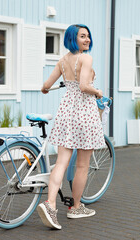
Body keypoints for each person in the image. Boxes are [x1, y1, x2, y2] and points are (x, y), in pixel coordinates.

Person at [36, 24, 105, 230]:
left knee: (61, 163)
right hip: (84, 114)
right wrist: (98, 92)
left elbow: (46, 86)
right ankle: (75, 207)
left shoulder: (63, 61)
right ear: (72, 38)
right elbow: (84, 86)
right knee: (82, 166)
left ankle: (50, 204)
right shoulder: (86, 59)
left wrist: (45, 89)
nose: (87, 40)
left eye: (88, 36)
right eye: (82, 36)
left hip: (66, 113)